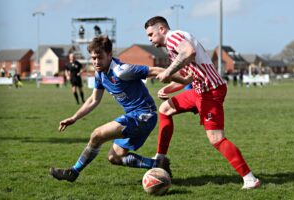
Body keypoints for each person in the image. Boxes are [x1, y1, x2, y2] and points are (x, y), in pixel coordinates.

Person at [50, 35, 192, 182]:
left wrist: (185, 80)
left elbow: (155, 70)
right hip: (135, 116)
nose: (96, 62)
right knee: (114, 157)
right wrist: (74, 118)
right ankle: (157, 164)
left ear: (110, 55)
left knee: (97, 135)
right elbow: (93, 99)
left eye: (100, 57)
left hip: (144, 116)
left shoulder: (122, 71)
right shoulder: (100, 74)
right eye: (93, 58)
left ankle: (74, 172)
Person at [144, 16, 260, 189]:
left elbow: (188, 51)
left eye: (151, 34)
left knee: (216, 138)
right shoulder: (172, 46)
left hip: (210, 91)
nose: (150, 39)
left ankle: (250, 178)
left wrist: (167, 71)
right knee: (165, 109)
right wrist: (169, 88)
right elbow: (189, 76)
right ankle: (160, 157)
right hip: (199, 90)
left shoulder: (174, 37)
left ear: (162, 29)